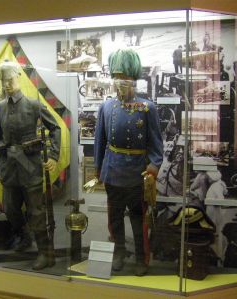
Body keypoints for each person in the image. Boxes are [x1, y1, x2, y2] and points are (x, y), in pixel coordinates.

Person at [94, 49, 163, 276]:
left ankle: (142, 259)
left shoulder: (147, 107)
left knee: (138, 219)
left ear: (133, 78)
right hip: (113, 171)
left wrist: (153, 168)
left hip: (137, 173)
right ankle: (119, 254)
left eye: (124, 76)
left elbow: (155, 145)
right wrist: (98, 169)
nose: (119, 81)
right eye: (116, 76)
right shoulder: (106, 107)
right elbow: (100, 142)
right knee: (114, 219)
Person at [0, 60, 60, 270]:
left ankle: (45, 253)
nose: (7, 84)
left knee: (36, 212)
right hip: (8, 167)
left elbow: (54, 128)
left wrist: (54, 155)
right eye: (3, 81)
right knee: (10, 209)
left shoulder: (33, 105)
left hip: (30, 166)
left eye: (10, 79)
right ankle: (24, 236)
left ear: (18, 77)